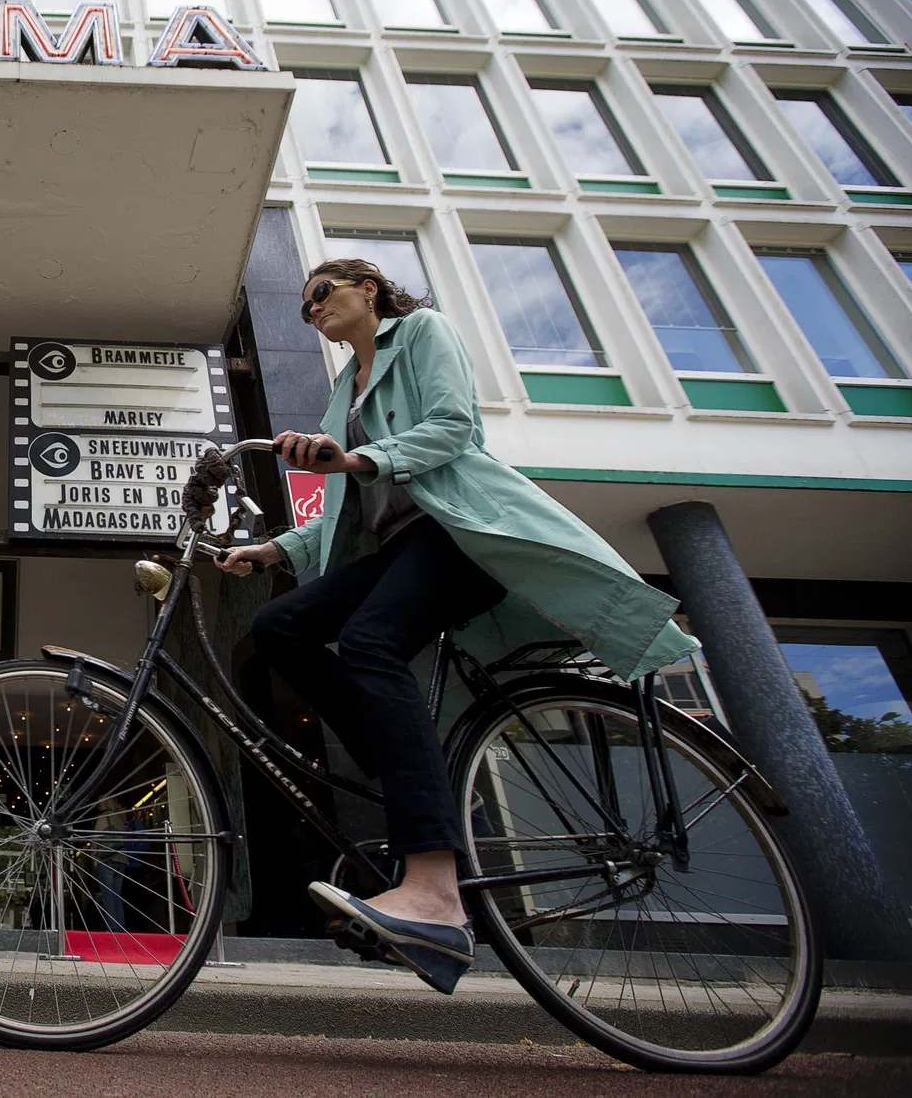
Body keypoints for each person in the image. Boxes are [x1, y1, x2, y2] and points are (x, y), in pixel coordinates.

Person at [214, 259, 696, 995]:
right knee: (282, 625)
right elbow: (348, 514)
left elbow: (453, 429)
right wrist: (276, 548)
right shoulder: (345, 392)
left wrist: (358, 457)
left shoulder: (422, 333)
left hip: (462, 534)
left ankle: (436, 892)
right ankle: (428, 785)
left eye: (320, 293)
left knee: (372, 644)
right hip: (402, 547)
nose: (311, 309)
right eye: (305, 305)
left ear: (366, 288)